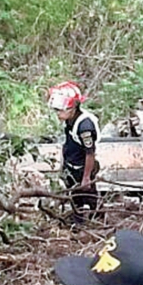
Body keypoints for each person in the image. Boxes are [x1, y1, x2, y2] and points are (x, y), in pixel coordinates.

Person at [47, 81, 100, 217]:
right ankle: (78, 218)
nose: (58, 113)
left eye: (61, 110)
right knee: (74, 198)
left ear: (74, 107)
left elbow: (90, 153)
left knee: (87, 196)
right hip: (71, 165)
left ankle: (96, 219)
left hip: (82, 168)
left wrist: (86, 177)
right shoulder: (69, 121)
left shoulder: (84, 127)